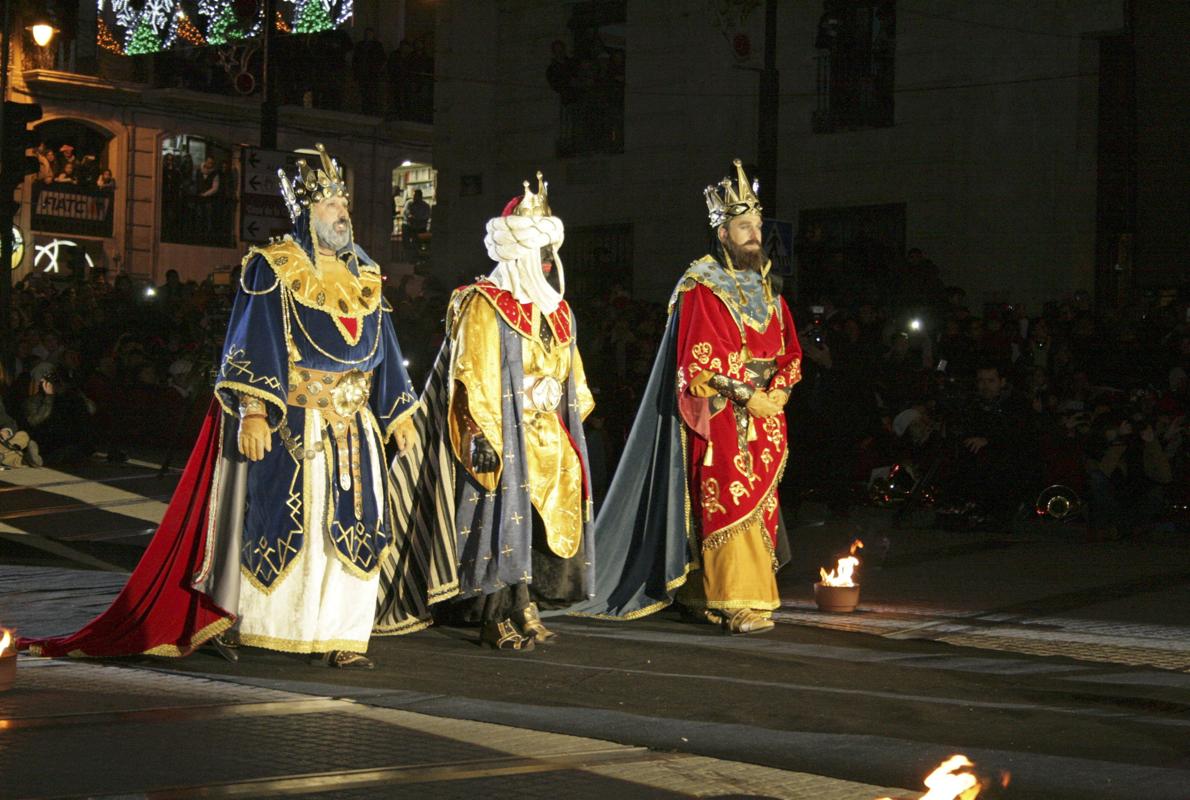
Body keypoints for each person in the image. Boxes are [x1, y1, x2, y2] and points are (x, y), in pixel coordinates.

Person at [23, 144, 424, 668]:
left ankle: (341, 634)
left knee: (353, 526)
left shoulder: (365, 274)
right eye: (329, 204)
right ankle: (272, 626)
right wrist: (254, 411)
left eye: (343, 201)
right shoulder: (272, 268)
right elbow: (254, 340)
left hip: (355, 431)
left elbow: (386, 350)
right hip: (294, 422)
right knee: (289, 523)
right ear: (306, 212)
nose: (342, 212)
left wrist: (400, 413)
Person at [574, 160, 803, 634]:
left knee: (761, 505)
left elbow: (790, 350)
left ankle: (719, 595)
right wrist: (749, 396)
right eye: (744, 227)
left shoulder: (770, 289)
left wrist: (778, 390)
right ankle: (733, 601)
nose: (754, 234)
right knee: (728, 504)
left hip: (768, 416)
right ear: (723, 234)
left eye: (757, 225)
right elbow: (700, 362)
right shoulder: (702, 285)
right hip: (723, 414)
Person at [377, 173, 596, 650]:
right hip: (501, 430)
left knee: (538, 524)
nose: (544, 263)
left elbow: (571, 378)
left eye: (547, 253)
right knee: (501, 520)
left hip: (546, 432)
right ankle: (493, 612)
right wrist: (480, 436)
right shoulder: (482, 304)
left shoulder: (559, 311)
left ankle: (525, 603)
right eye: (536, 253)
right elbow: (470, 377)